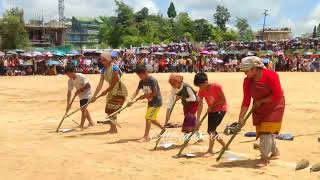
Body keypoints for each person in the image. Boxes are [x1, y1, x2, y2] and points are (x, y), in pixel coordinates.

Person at [238, 56, 285, 167]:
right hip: (259, 107)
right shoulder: (247, 82)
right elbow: (246, 101)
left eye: (246, 71)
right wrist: (241, 118)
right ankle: (275, 152)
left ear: (254, 69)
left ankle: (264, 159)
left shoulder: (271, 75)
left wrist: (262, 100)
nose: (245, 74)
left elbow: (278, 95)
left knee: (265, 132)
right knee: (265, 131)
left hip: (275, 105)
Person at [91, 53, 128, 134]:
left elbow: (115, 81)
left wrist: (106, 91)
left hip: (119, 90)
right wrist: (94, 96)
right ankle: (113, 128)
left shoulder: (115, 68)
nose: (103, 62)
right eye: (102, 60)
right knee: (109, 110)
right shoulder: (103, 70)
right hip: (112, 91)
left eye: (104, 60)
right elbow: (100, 84)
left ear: (109, 60)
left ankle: (114, 129)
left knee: (111, 109)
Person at [128, 65, 164, 142]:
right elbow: (136, 92)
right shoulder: (141, 82)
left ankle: (146, 137)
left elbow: (155, 93)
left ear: (146, 73)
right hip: (151, 102)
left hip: (156, 102)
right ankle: (163, 129)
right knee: (152, 119)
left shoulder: (152, 80)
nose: (140, 77)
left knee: (148, 118)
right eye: (139, 76)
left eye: (141, 75)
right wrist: (130, 100)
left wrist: (144, 96)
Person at [194, 72, 228, 156]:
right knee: (210, 131)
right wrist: (198, 120)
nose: (200, 88)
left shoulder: (216, 86)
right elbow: (200, 105)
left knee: (212, 130)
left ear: (206, 82)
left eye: (200, 86)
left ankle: (210, 150)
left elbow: (223, 100)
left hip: (221, 109)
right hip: (211, 110)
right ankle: (225, 145)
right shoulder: (201, 90)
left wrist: (213, 106)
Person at [167, 73, 203, 143]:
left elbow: (193, 98)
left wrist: (181, 97)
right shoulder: (174, 88)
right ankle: (200, 137)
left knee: (187, 121)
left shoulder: (187, 87)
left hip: (193, 104)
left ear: (178, 82)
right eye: (171, 84)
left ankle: (186, 140)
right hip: (186, 105)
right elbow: (171, 101)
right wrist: (167, 114)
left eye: (173, 84)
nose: (172, 86)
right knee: (192, 121)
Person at [64, 65, 94, 129]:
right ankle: (91, 122)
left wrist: (80, 90)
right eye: (67, 74)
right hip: (81, 95)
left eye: (69, 74)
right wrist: (68, 104)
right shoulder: (70, 80)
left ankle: (81, 125)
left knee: (83, 109)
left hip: (87, 93)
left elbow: (88, 85)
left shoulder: (81, 76)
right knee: (84, 108)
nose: (68, 76)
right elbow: (69, 92)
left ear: (73, 72)